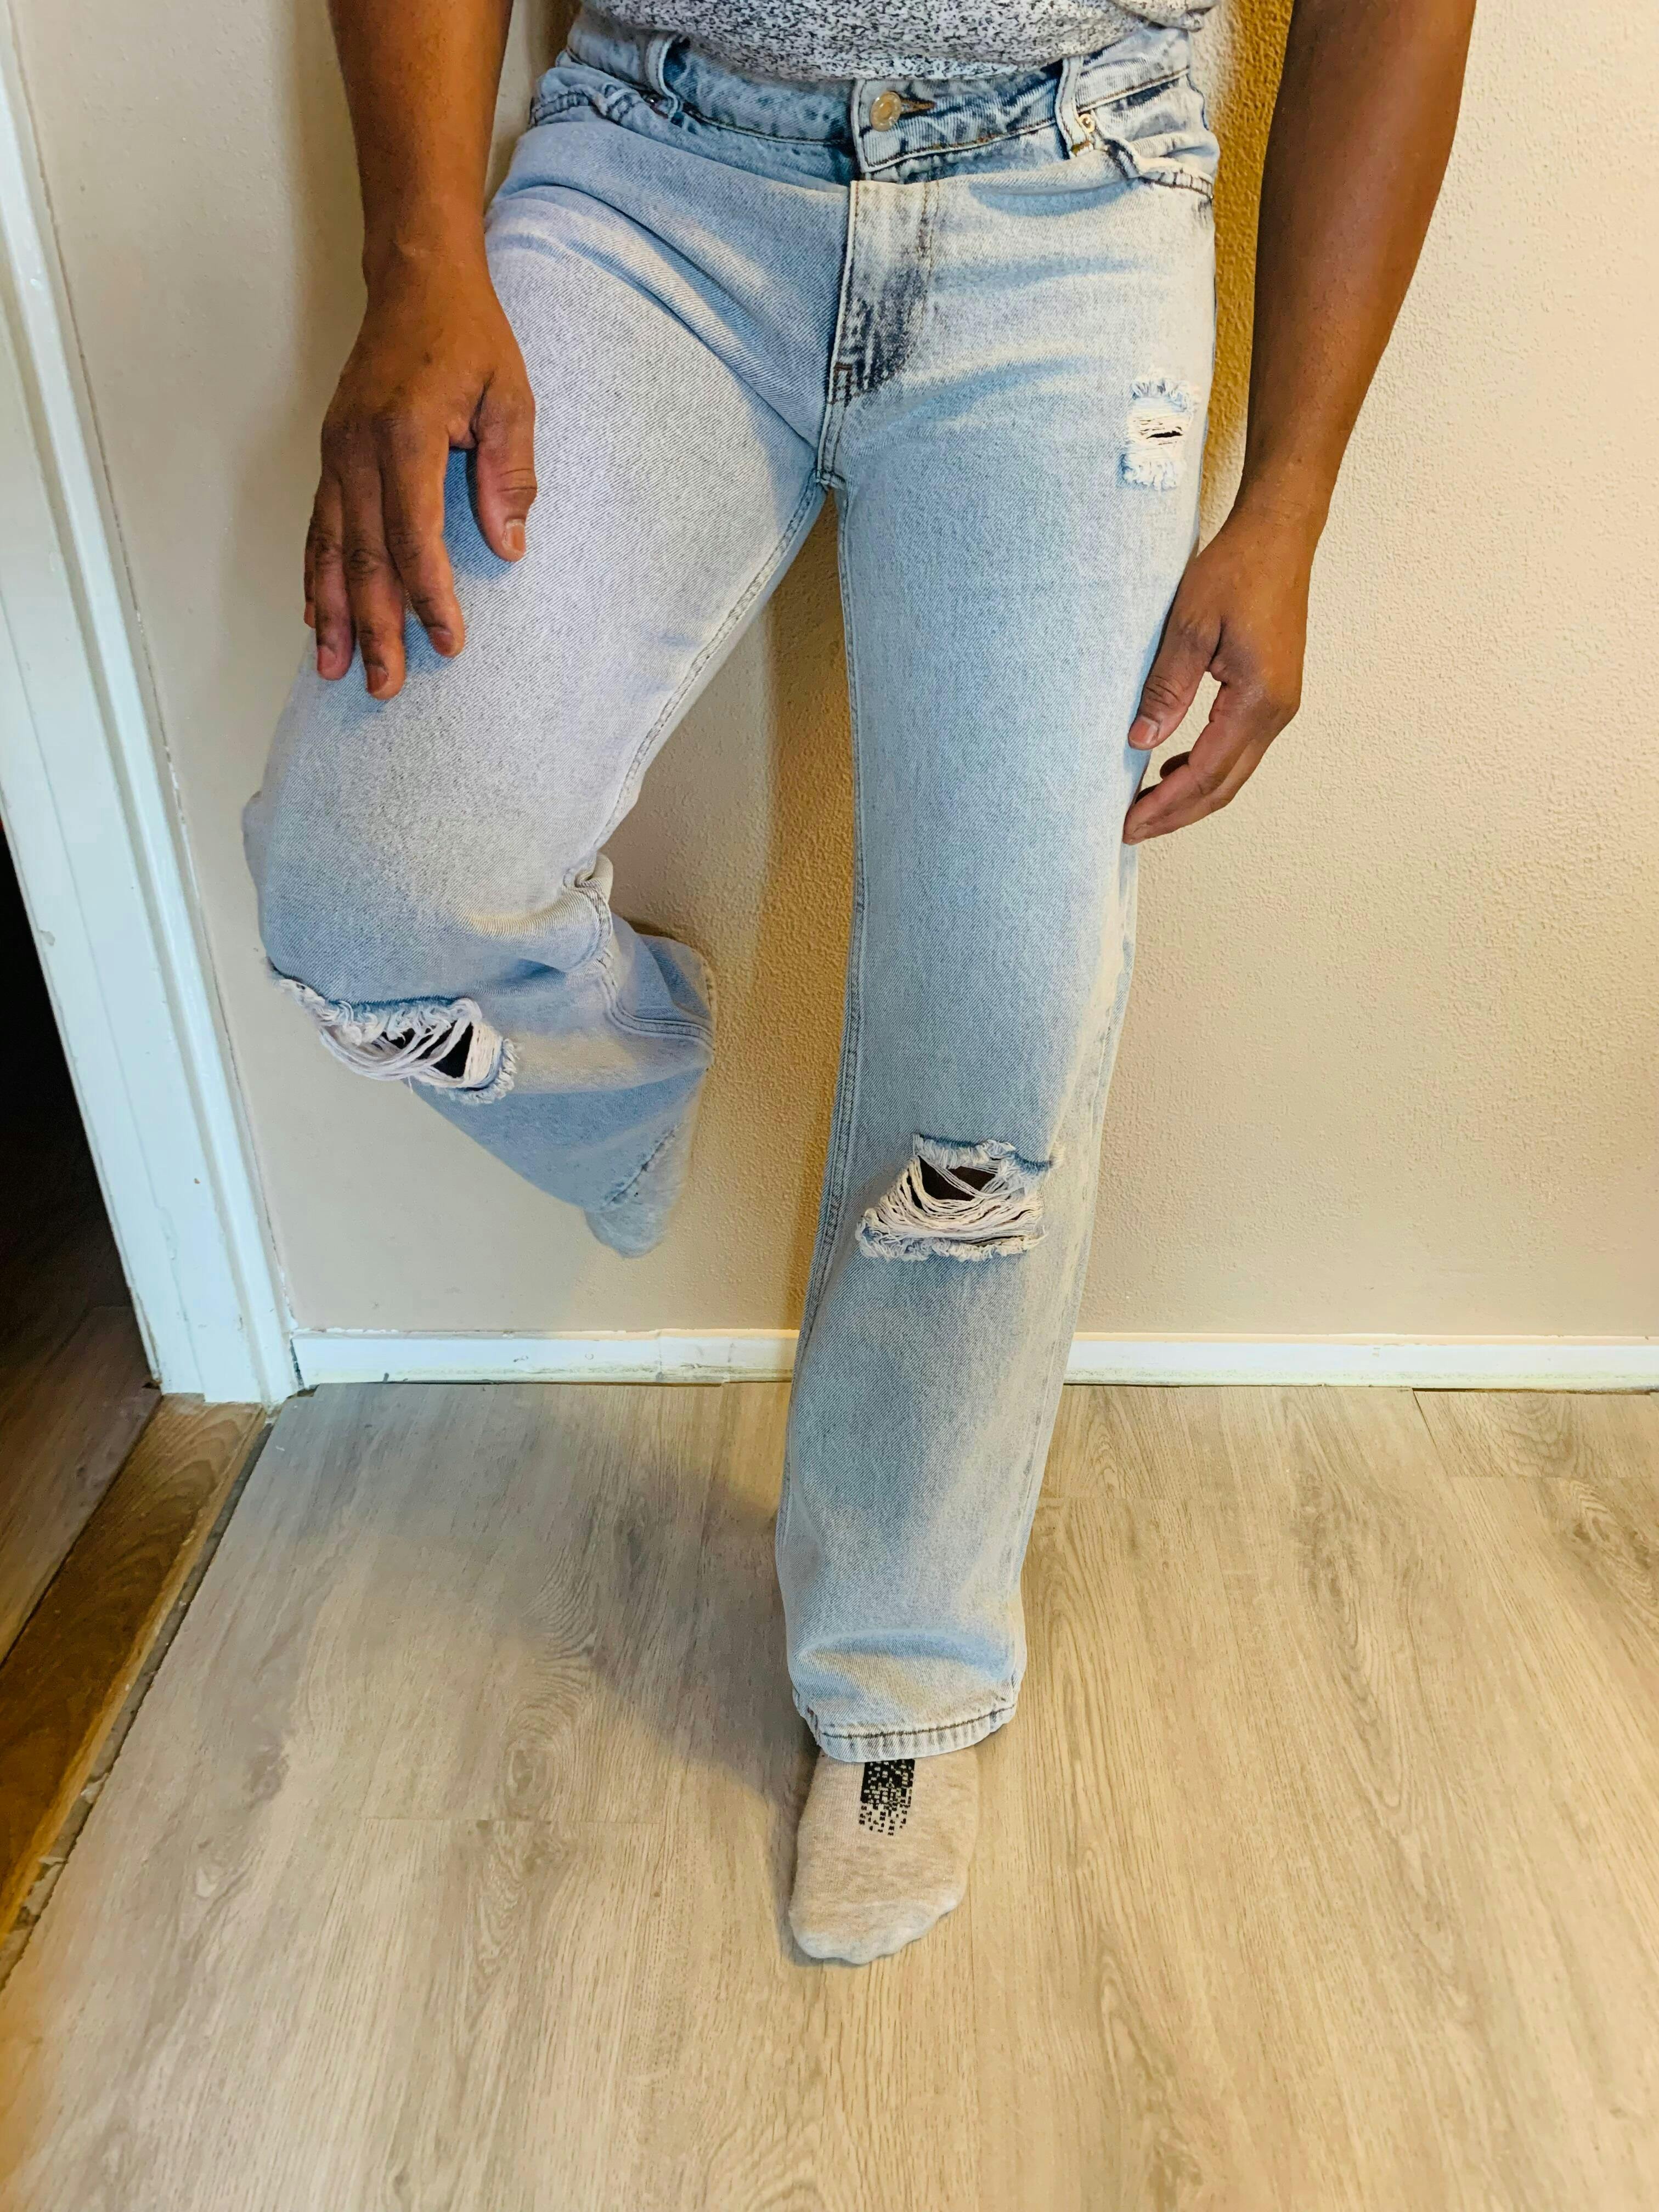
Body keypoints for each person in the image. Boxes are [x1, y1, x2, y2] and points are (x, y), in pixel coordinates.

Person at [244, 0, 1477, 1964]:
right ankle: (640, 1084)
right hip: (651, 173)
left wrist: (1295, 490)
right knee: (369, 888)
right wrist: (420, 250)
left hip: (1071, 202)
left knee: (998, 1035)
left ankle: (900, 1674)